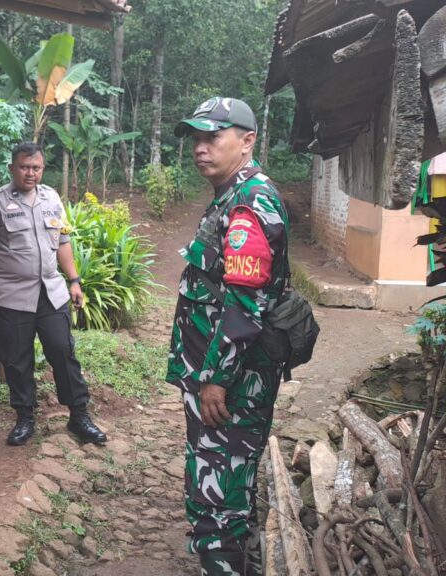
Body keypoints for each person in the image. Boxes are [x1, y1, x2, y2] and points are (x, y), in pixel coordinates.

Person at [168, 97, 290, 576]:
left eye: (213, 137)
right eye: (196, 138)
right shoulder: (230, 196)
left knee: (220, 494)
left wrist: (215, 378)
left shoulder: (249, 203)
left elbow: (244, 304)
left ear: (247, 140)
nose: (201, 148)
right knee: (224, 481)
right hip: (220, 378)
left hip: (232, 384)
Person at [0, 141, 108, 447]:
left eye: (36, 167)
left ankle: (79, 415)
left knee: (62, 351)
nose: (30, 173)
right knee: (17, 360)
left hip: (51, 291)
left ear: (42, 168)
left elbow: (62, 242)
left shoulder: (52, 198)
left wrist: (74, 280)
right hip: (11, 295)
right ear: (12, 168)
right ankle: (24, 418)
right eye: (24, 167)